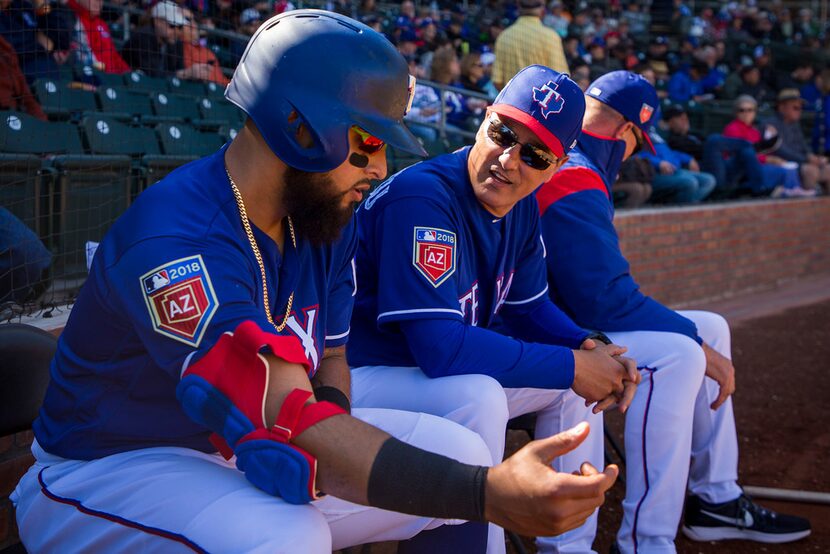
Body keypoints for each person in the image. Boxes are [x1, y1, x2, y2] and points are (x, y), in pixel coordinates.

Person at [11, 12, 618, 553]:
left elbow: (329, 354)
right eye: (367, 143)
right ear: (301, 128)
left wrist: (332, 416)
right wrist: (488, 495)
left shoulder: (323, 219)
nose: (380, 168)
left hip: (227, 450)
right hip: (108, 468)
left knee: (459, 452)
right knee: (287, 534)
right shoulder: (175, 243)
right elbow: (279, 406)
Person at [347, 65, 638, 553]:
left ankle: (569, 548)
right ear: (484, 120)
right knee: (478, 395)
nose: (508, 159)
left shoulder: (519, 205)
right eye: (503, 132)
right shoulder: (424, 199)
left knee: (570, 391)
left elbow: (531, 308)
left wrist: (588, 346)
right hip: (356, 370)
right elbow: (438, 349)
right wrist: (571, 363)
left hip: (415, 371)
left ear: (558, 165)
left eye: (535, 153)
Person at [535, 70, 812, 553]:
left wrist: (702, 341)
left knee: (711, 327)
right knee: (682, 354)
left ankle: (715, 498)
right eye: (637, 146)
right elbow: (603, 299)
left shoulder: (576, 163)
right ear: (626, 132)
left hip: (561, 319)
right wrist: (700, 348)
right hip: (546, 330)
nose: (632, 157)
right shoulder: (575, 173)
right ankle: (647, 541)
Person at [723, 95, 815, 198]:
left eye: (750, 110)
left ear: (755, 112)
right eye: (742, 110)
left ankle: (792, 192)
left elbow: (763, 150)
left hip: (758, 164)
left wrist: (772, 140)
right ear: (736, 112)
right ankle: (790, 193)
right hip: (741, 169)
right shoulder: (732, 128)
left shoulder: (754, 130)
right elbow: (742, 154)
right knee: (784, 171)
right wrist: (768, 159)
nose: (746, 113)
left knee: (790, 168)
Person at [492, 0, 569, 89]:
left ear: (518, 5)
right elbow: (561, 79)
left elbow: (497, 81)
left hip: (508, 101)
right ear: (543, 9)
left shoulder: (504, 36)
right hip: (539, 101)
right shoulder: (551, 37)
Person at [766, 88, 830, 193]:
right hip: (783, 163)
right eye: (795, 108)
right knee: (811, 171)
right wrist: (806, 159)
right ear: (782, 107)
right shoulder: (770, 124)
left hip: (800, 162)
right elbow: (779, 150)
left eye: (801, 108)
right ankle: (808, 207)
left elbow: (803, 145)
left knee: (828, 169)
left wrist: (811, 156)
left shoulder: (795, 124)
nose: (799, 111)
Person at [639, 127, 716, 203]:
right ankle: (680, 208)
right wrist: (658, 163)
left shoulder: (651, 129)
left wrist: (688, 159)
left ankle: (685, 207)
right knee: (690, 182)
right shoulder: (633, 127)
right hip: (652, 173)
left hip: (674, 170)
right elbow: (633, 155)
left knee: (708, 180)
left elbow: (668, 152)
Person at [119, 0, 185, 78]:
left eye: (180, 27)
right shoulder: (143, 37)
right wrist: (182, 74)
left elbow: (177, 69)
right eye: (172, 26)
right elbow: (153, 75)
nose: (177, 31)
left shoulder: (174, 43)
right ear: (157, 21)